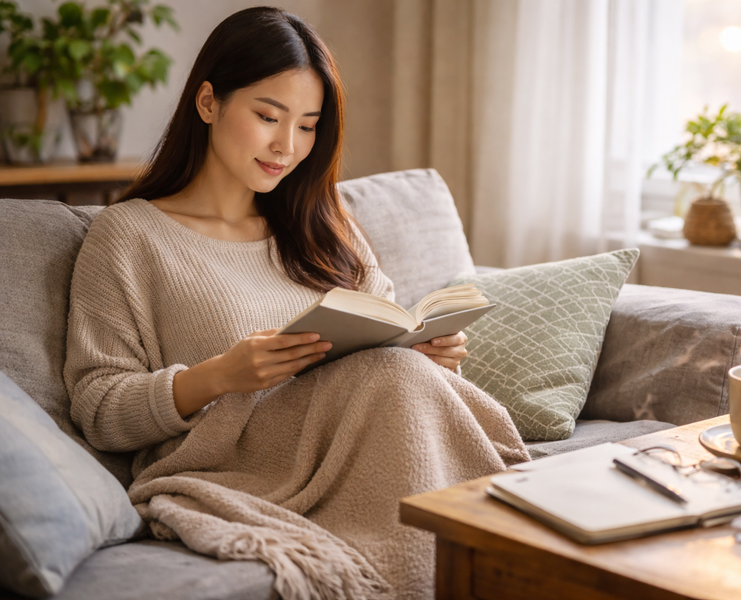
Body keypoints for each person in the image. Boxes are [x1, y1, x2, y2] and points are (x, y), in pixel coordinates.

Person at [63, 6, 529, 600]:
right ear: (208, 103)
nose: (288, 145)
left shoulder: (321, 225)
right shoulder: (128, 236)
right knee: (394, 378)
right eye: (267, 116)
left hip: (359, 435)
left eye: (307, 126)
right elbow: (98, 406)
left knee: (399, 371)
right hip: (240, 459)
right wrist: (217, 376)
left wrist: (431, 353)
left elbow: (385, 348)